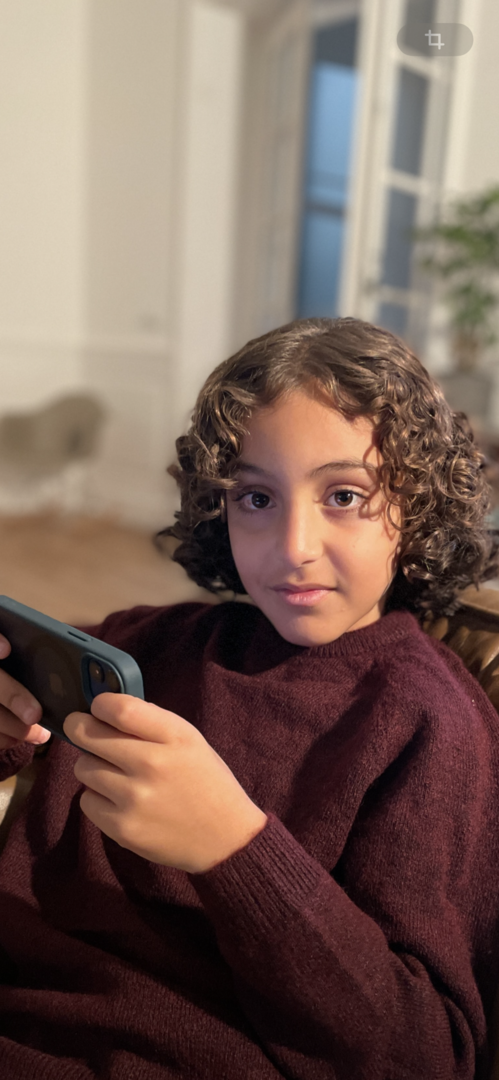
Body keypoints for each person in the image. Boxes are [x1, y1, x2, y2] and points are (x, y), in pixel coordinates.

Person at [0, 316, 499, 1079]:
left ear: (415, 506)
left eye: (342, 495)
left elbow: (423, 1054)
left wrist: (232, 849)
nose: (293, 546)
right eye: (256, 498)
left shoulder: (431, 725)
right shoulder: (152, 641)